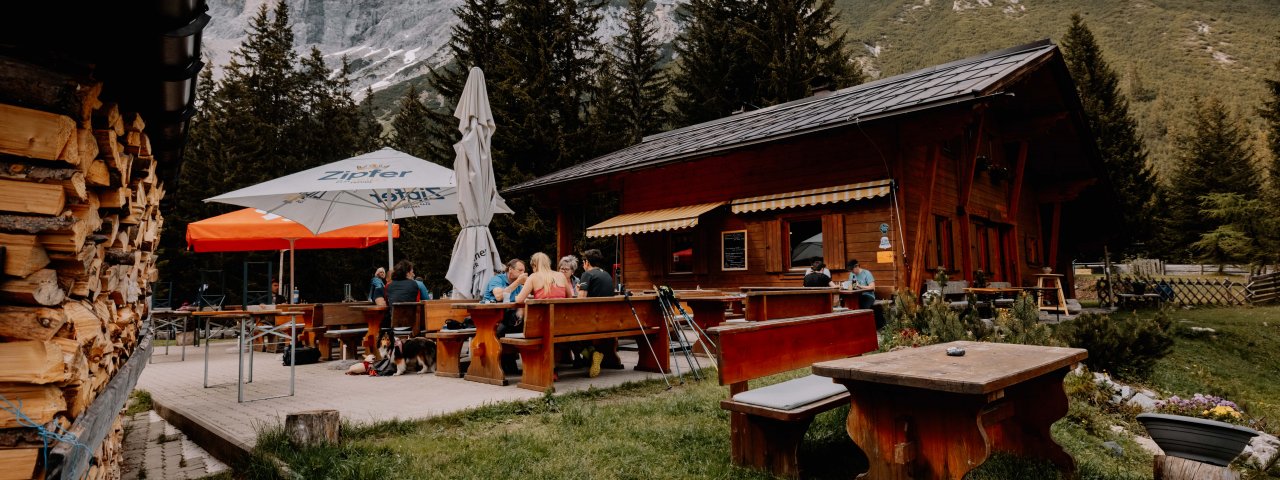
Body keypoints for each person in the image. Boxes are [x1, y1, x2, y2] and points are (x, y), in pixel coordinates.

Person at [577, 249, 624, 376]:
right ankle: (594, 357)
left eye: (583, 262)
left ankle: (592, 355)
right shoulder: (607, 274)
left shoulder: (587, 274)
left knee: (568, 337)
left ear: (587, 262)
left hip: (593, 319)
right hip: (608, 319)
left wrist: (578, 290)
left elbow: (580, 299)